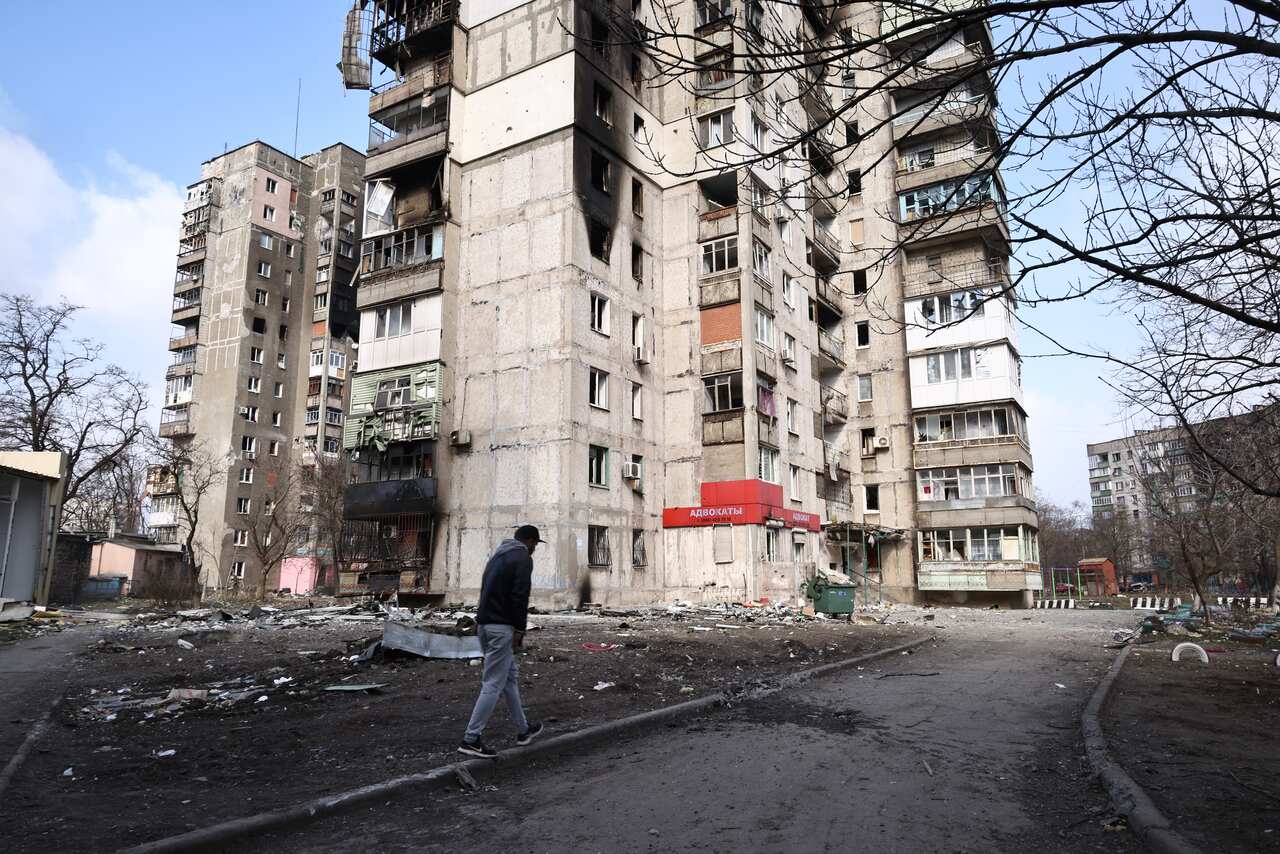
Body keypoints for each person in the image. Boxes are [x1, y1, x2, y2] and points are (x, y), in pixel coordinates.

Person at [458, 525, 546, 758]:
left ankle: (524, 730)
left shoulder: (497, 556)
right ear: (529, 541)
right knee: (493, 683)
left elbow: (486, 590)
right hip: (502, 627)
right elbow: (520, 595)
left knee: (509, 678)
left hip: (485, 625)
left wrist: (480, 619)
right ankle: (471, 738)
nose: (535, 548)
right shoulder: (522, 558)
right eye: (535, 544)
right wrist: (519, 628)